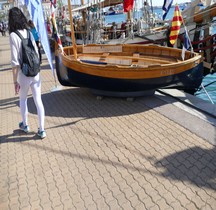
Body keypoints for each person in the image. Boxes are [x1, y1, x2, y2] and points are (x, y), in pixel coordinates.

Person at [8, 7, 46, 139]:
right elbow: (36, 51)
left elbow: (14, 62)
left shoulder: (13, 35)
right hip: (35, 72)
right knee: (38, 100)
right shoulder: (29, 32)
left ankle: (25, 125)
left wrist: (15, 82)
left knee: (23, 99)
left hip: (24, 74)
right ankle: (42, 129)